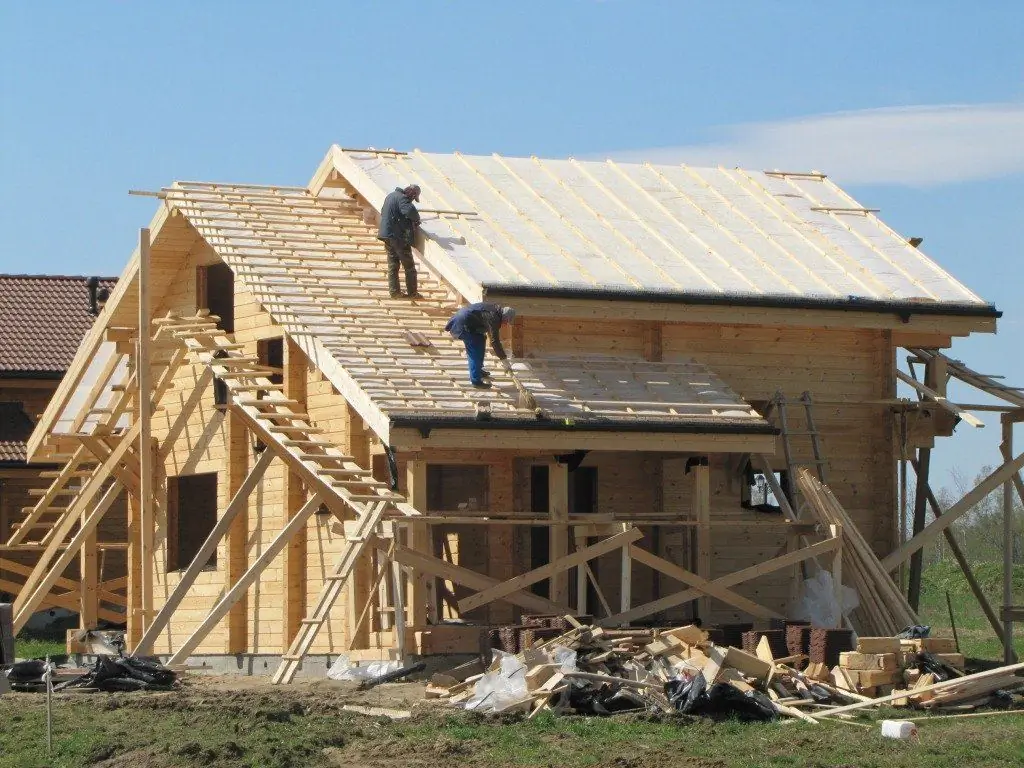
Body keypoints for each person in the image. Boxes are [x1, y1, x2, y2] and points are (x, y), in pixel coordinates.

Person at [444, 303, 516, 388]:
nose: (506, 323)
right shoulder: (494, 317)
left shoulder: (495, 310)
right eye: (507, 321)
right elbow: (494, 341)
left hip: (467, 323)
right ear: (505, 317)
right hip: (462, 326)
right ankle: (476, 381)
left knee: (481, 339)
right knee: (475, 352)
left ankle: (478, 370)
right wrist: (504, 359)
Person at [378, 185, 422, 298]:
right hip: (397, 237)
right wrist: (416, 219)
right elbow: (409, 211)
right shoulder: (403, 198)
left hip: (386, 235)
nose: (412, 200)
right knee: (409, 266)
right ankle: (412, 293)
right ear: (412, 195)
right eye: (413, 198)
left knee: (393, 265)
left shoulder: (390, 196)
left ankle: (395, 292)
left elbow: (383, 211)